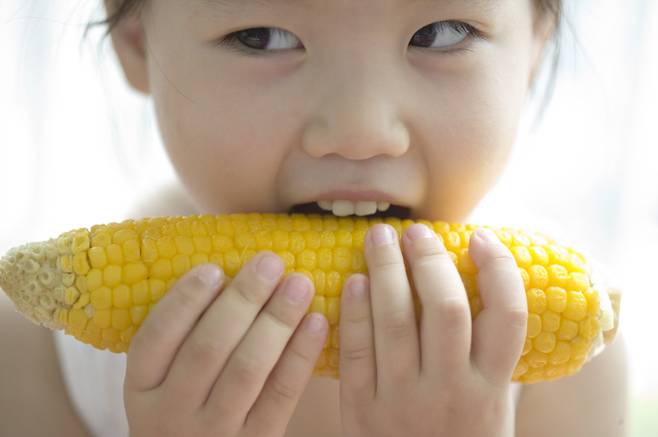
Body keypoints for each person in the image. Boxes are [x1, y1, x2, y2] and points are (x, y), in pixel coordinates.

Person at [0, 0, 629, 436]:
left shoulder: (567, 379)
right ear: (136, 38)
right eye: (261, 36)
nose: (359, 133)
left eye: (440, 31)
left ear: (536, 41)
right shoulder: (39, 361)